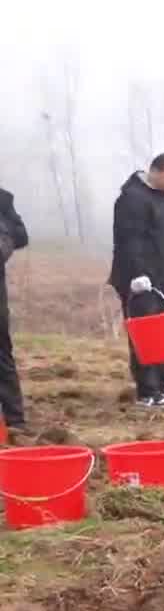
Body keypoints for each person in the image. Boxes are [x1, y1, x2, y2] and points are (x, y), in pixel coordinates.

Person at [110, 153, 164, 409]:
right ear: (154, 172)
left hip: (161, 281)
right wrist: (137, 274)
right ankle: (148, 391)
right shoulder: (132, 199)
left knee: (163, 334)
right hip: (139, 282)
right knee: (145, 335)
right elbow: (129, 240)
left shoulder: (161, 201)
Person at [0, 185, 27, 433]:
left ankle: (15, 419)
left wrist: (4, 239)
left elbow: (21, 235)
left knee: (2, 354)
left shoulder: (3, 199)